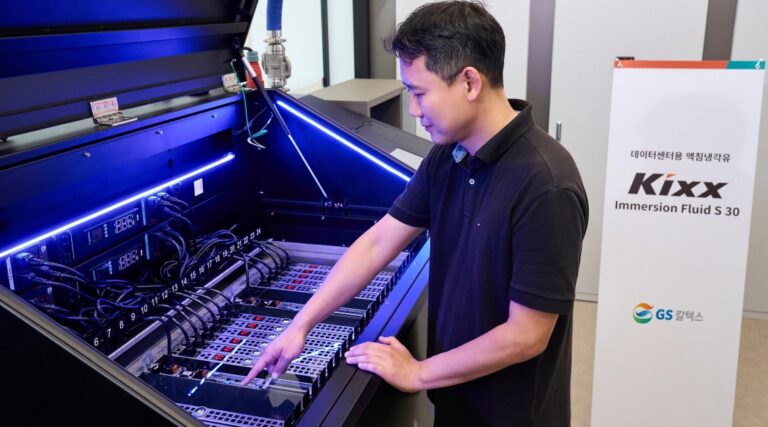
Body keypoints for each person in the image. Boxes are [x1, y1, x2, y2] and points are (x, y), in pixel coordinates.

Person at [242, 1, 588, 425]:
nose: (414, 110)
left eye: (420, 93)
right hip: (456, 398)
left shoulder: (547, 185)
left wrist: (419, 372)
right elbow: (378, 242)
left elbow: (527, 335)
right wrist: (301, 324)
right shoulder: (447, 156)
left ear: (469, 82)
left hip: (512, 414)